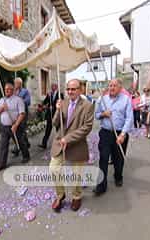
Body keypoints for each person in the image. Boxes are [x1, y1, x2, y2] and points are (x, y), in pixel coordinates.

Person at [49, 79, 94, 212]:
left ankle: (76, 196)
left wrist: (68, 138)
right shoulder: (63, 103)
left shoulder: (87, 106)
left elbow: (87, 127)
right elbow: (55, 123)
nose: (70, 92)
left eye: (73, 89)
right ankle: (60, 195)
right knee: (54, 169)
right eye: (68, 89)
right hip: (60, 143)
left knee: (76, 175)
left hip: (77, 144)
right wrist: (57, 110)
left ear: (80, 90)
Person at [93, 79, 133, 196]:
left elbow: (129, 118)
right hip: (105, 133)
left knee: (118, 158)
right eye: (110, 85)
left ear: (120, 88)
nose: (112, 88)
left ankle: (118, 176)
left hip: (120, 133)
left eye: (115, 86)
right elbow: (96, 115)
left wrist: (123, 134)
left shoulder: (126, 100)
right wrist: (103, 114)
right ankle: (101, 185)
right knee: (103, 158)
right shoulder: (102, 100)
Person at [0, 83, 30, 172]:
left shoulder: (18, 100)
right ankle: (2, 164)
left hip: (15, 126)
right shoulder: (2, 100)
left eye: (9, 89)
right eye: (5, 89)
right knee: (3, 145)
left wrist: (16, 125)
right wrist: (2, 108)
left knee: (20, 142)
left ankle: (26, 156)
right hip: (4, 127)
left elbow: (22, 114)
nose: (6, 90)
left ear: (13, 90)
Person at [39, 83, 63, 149]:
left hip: (57, 114)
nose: (52, 87)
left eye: (54, 86)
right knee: (48, 130)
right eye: (52, 86)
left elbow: (62, 103)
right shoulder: (49, 94)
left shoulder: (60, 94)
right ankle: (44, 144)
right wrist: (43, 106)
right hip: (50, 115)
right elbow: (45, 101)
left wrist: (56, 107)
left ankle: (60, 143)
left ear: (56, 87)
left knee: (58, 130)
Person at [12, 77, 31, 156]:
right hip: (14, 115)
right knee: (19, 132)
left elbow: (28, 101)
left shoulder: (25, 91)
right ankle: (26, 143)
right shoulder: (13, 92)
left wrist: (19, 100)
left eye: (16, 83)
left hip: (23, 114)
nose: (15, 84)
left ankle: (17, 148)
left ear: (20, 84)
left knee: (20, 132)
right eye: (14, 83)